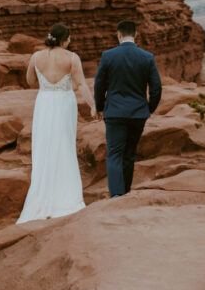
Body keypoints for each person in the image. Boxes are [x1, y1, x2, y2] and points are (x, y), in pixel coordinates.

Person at [16, 23, 97, 224]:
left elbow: (30, 81)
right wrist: (93, 105)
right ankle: (65, 194)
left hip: (44, 102)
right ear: (64, 39)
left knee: (44, 145)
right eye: (69, 38)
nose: (70, 41)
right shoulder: (71, 58)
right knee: (64, 144)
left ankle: (43, 192)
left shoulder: (36, 57)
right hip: (63, 102)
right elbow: (81, 85)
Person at [94, 20, 162, 197]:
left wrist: (100, 107)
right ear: (136, 34)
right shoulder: (147, 57)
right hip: (138, 113)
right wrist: (149, 109)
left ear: (118, 35)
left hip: (114, 112)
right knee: (130, 153)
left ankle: (116, 194)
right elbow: (156, 88)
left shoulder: (108, 56)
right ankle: (125, 192)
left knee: (115, 153)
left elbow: (99, 85)